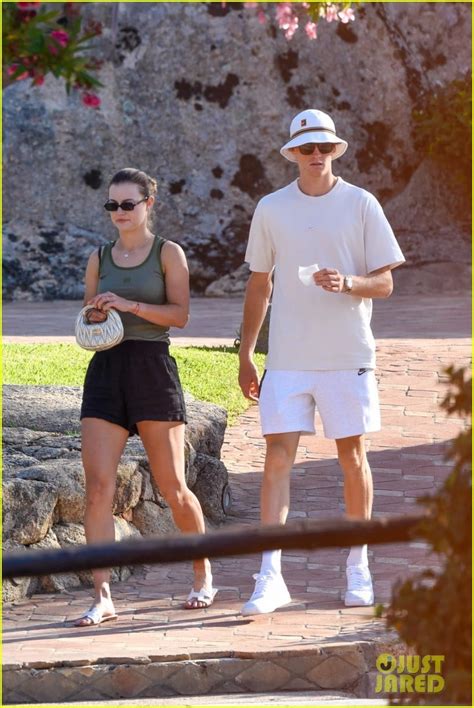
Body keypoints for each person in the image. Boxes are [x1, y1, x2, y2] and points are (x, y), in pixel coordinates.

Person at [238, 109, 405, 615]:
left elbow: (387, 282)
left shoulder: (361, 203)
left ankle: (358, 567)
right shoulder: (270, 207)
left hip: (347, 354)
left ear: (335, 151)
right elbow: (259, 283)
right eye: (307, 148)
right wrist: (246, 352)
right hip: (287, 357)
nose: (316, 155)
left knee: (352, 458)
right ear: (292, 153)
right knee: (276, 461)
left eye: (324, 148)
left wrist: (348, 283)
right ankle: (270, 575)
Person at [75, 168, 217, 626]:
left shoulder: (167, 253)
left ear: (148, 204)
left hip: (153, 368)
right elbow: (88, 319)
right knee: (97, 487)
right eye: (112, 205)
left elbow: (180, 315)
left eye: (128, 204)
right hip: (107, 370)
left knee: (173, 486)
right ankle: (102, 596)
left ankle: (202, 574)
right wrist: (97, 311)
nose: (119, 212)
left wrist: (132, 305)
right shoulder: (98, 257)